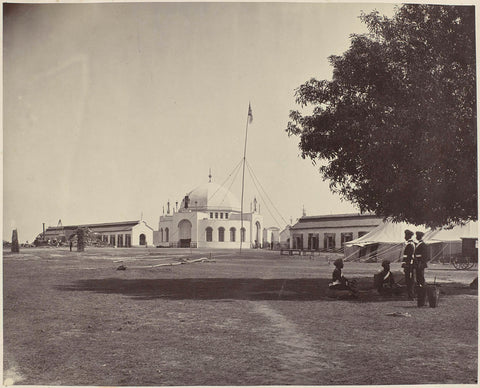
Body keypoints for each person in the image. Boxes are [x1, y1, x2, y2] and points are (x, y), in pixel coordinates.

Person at [402, 229, 416, 300]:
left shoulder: (410, 245)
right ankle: (410, 295)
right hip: (409, 264)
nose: (405, 237)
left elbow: (409, 256)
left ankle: (411, 296)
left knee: (409, 280)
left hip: (409, 265)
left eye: (406, 235)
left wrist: (406, 264)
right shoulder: (411, 244)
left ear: (408, 236)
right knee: (409, 280)